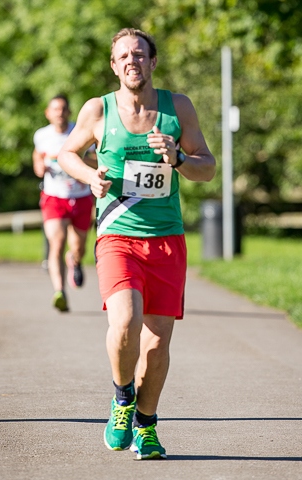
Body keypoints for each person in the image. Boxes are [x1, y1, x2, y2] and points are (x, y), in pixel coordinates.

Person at [58, 28, 216, 459]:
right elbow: (66, 154)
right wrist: (92, 177)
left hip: (166, 240)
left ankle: (147, 426)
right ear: (114, 65)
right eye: (124, 56)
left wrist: (179, 159)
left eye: (140, 54)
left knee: (157, 343)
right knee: (125, 322)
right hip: (117, 235)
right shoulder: (97, 110)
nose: (132, 61)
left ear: (153, 62)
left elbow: (207, 167)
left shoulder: (177, 107)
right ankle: (122, 399)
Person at [33, 95, 96, 312]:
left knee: (78, 247)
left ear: (69, 112)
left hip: (80, 195)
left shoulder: (80, 132)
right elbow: (37, 157)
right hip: (54, 197)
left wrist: (71, 159)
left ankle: (74, 261)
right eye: (55, 109)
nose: (59, 113)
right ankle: (59, 291)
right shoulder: (41, 136)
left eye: (63, 109)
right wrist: (39, 166)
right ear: (48, 113)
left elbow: (96, 161)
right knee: (57, 243)